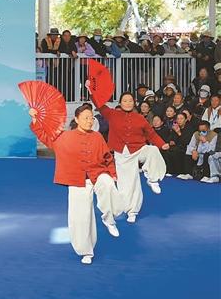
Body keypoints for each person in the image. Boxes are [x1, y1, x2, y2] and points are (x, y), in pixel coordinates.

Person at [28, 105, 121, 265]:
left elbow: (107, 157)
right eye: (85, 118)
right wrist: (35, 119)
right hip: (77, 180)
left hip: (97, 174)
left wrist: (112, 173)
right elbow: (45, 136)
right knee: (80, 217)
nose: (89, 121)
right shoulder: (65, 136)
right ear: (77, 119)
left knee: (108, 184)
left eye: (91, 118)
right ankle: (86, 251)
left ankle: (109, 218)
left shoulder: (97, 137)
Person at [90, 89, 169, 223]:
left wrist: (162, 144)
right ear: (120, 103)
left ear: (134, 102)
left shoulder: (140, 118)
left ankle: (153, 179)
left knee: (152, 150)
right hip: (122, 154)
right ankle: (131, 211)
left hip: (138, 149)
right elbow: (100, 105)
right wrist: (92, 92)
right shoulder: (113, 114)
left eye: (130, 101)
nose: (127, 103)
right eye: (125, 101)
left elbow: (151, 134)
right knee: (128, 184)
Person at [168, 113, 193, 178]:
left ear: (186, 120)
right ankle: (170, 171)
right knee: (168, 150)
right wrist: (171, 141)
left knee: (176, 151)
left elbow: (186, 142)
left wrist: (179, 133)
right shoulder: (175, 127)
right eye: (178, 119)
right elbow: (170, 138)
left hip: (186, 147)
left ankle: (179, 172)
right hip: (176, 146)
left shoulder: (189, 129)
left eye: (181, 119)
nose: (179, 120)